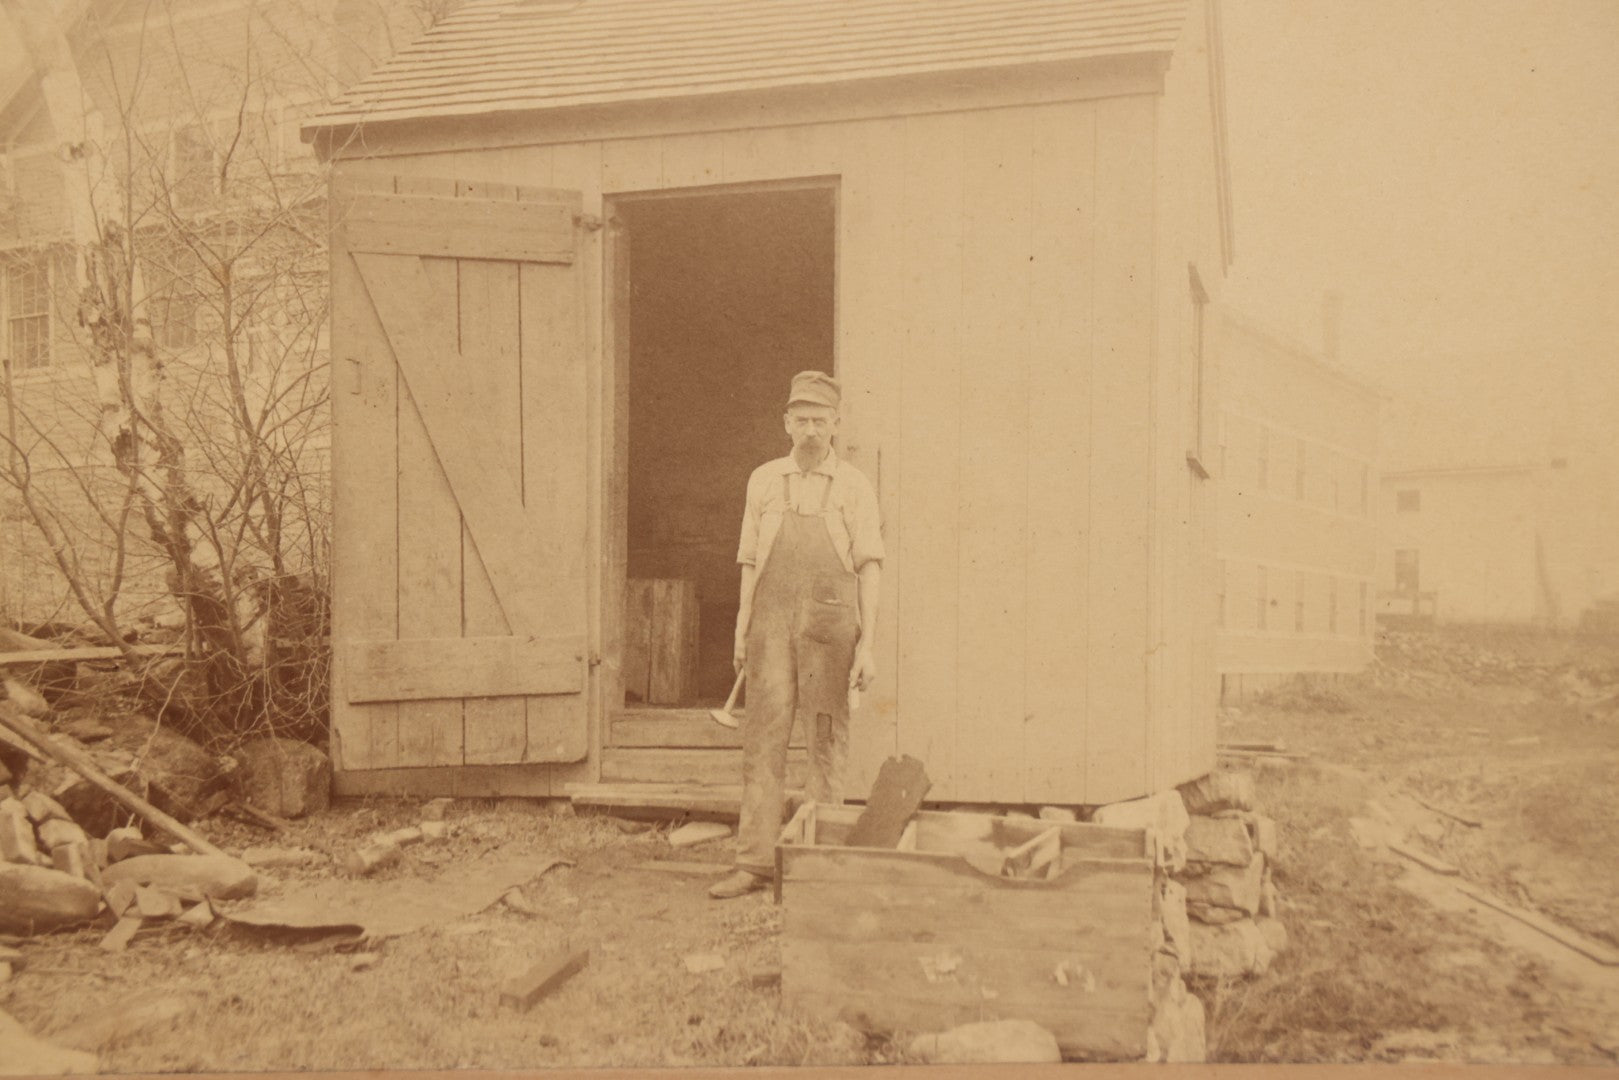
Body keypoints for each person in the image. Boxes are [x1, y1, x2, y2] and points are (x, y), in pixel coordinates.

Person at [707, 371, 883, 899]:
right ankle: (754, 863)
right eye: (801, 419)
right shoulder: (763, 481)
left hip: (831, 628)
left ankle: (820, 865)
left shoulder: (854, 485)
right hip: (770, 626)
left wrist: (867, 643)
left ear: (836, 425)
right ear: (786, 423)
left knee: (826, 739)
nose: (810, 430)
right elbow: (748, 561)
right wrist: (742, 627)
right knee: (763, 738)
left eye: (820, 420)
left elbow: (870, 565)